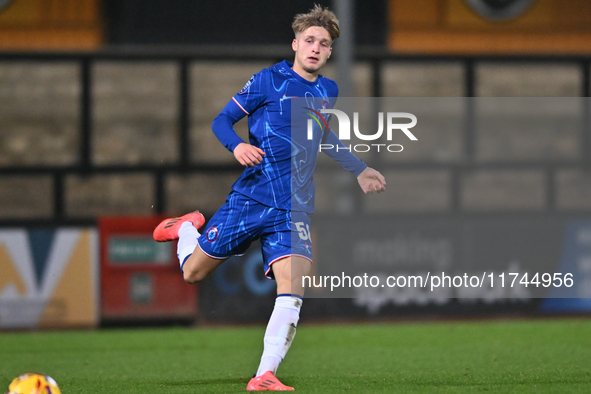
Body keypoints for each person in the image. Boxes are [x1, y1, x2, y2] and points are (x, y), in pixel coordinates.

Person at [153, 5, 386, 391]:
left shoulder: (327, 90)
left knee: (294, 285)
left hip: (293, 207)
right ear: (295, 44)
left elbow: (322, 136)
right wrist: (237, 147)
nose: (315, 48)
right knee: (192, 274)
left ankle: (264, 374)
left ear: (330, 53)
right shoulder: (269, 80)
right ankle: (187, 230)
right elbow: (221, 120)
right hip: (251, 199)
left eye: (323, 44)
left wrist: (358, 168)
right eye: (309, 40)